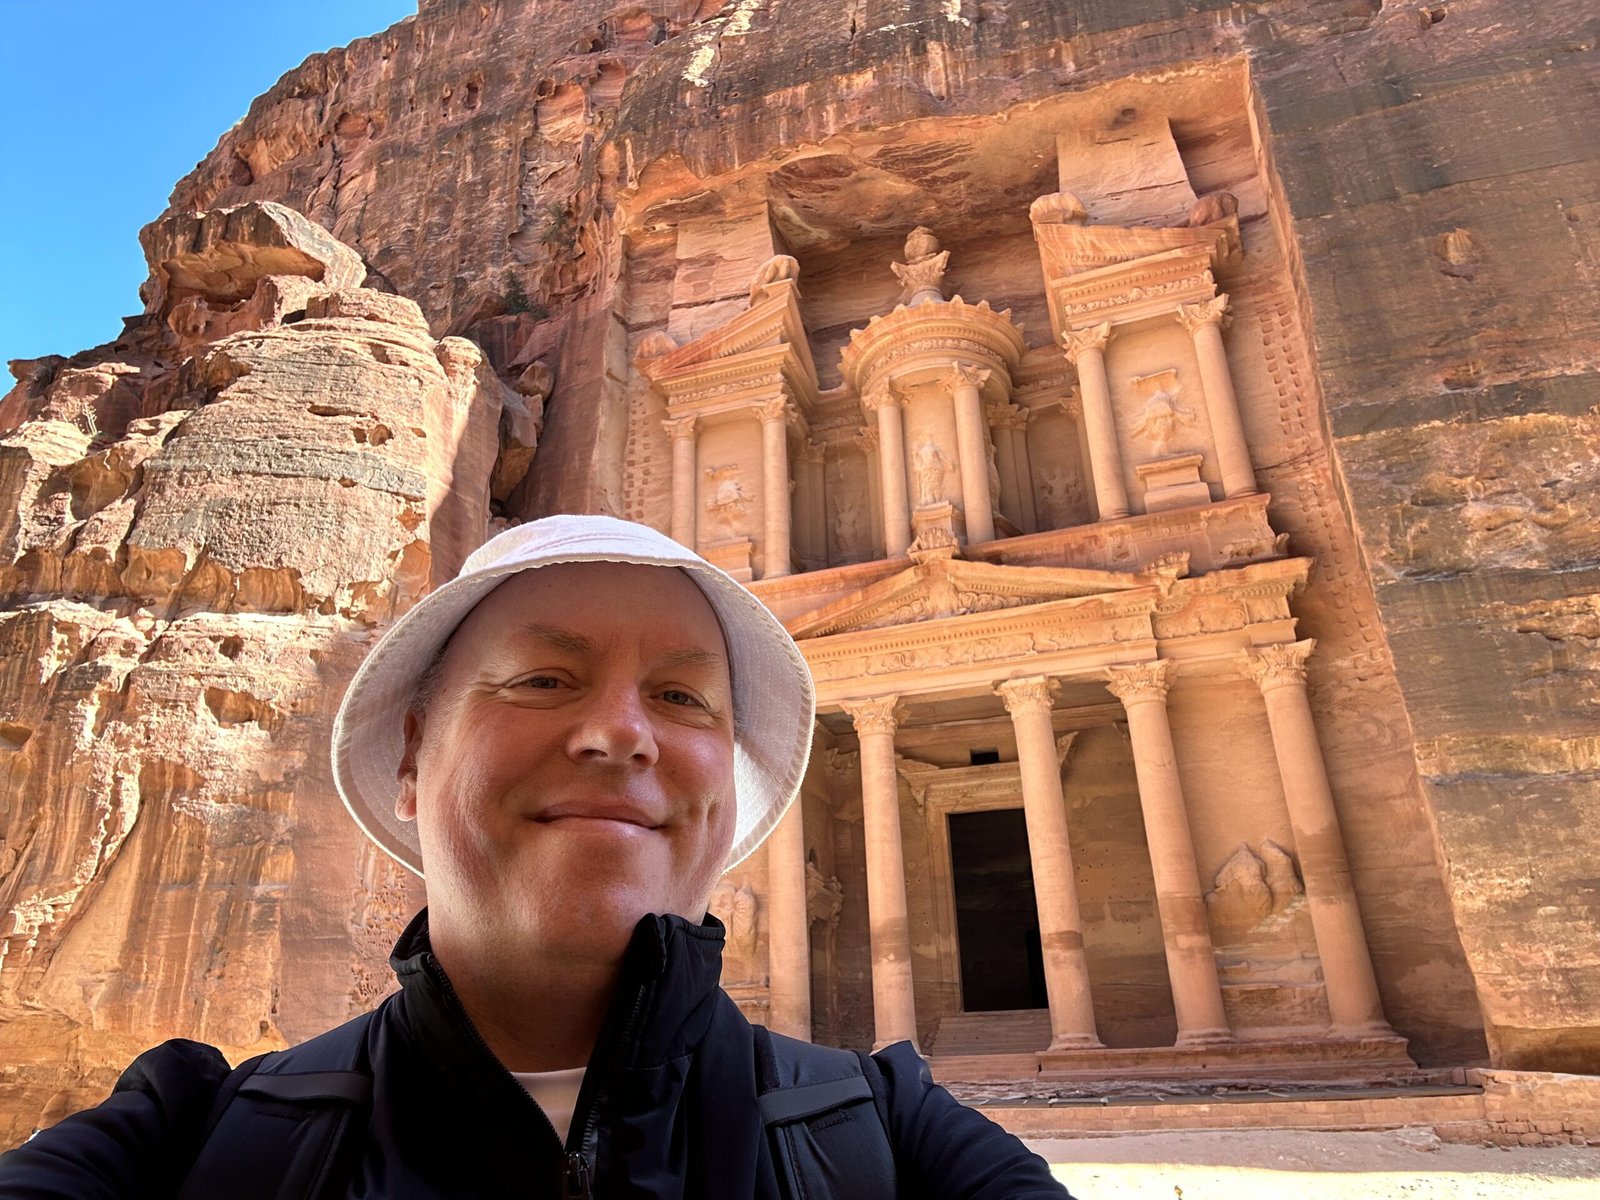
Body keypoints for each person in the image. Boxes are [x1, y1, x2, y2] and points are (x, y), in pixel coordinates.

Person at [0, 515, 1072, 1198]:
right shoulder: (189, 1139)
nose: (622, 732)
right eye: (543, 680)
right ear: (415, 754)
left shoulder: (888, 1133)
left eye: (682, 696)